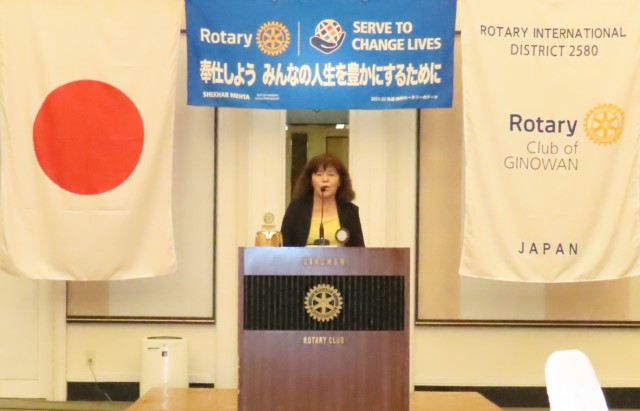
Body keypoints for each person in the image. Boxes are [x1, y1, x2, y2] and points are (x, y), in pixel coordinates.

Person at [281, 154, 365, 247]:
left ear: (340, 181)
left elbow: (359, 250)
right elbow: (284, 246)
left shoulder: (350, 211)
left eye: (331, 174)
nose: (325, 179)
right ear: (311, 181)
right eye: (319, 174)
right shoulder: (296, 209)